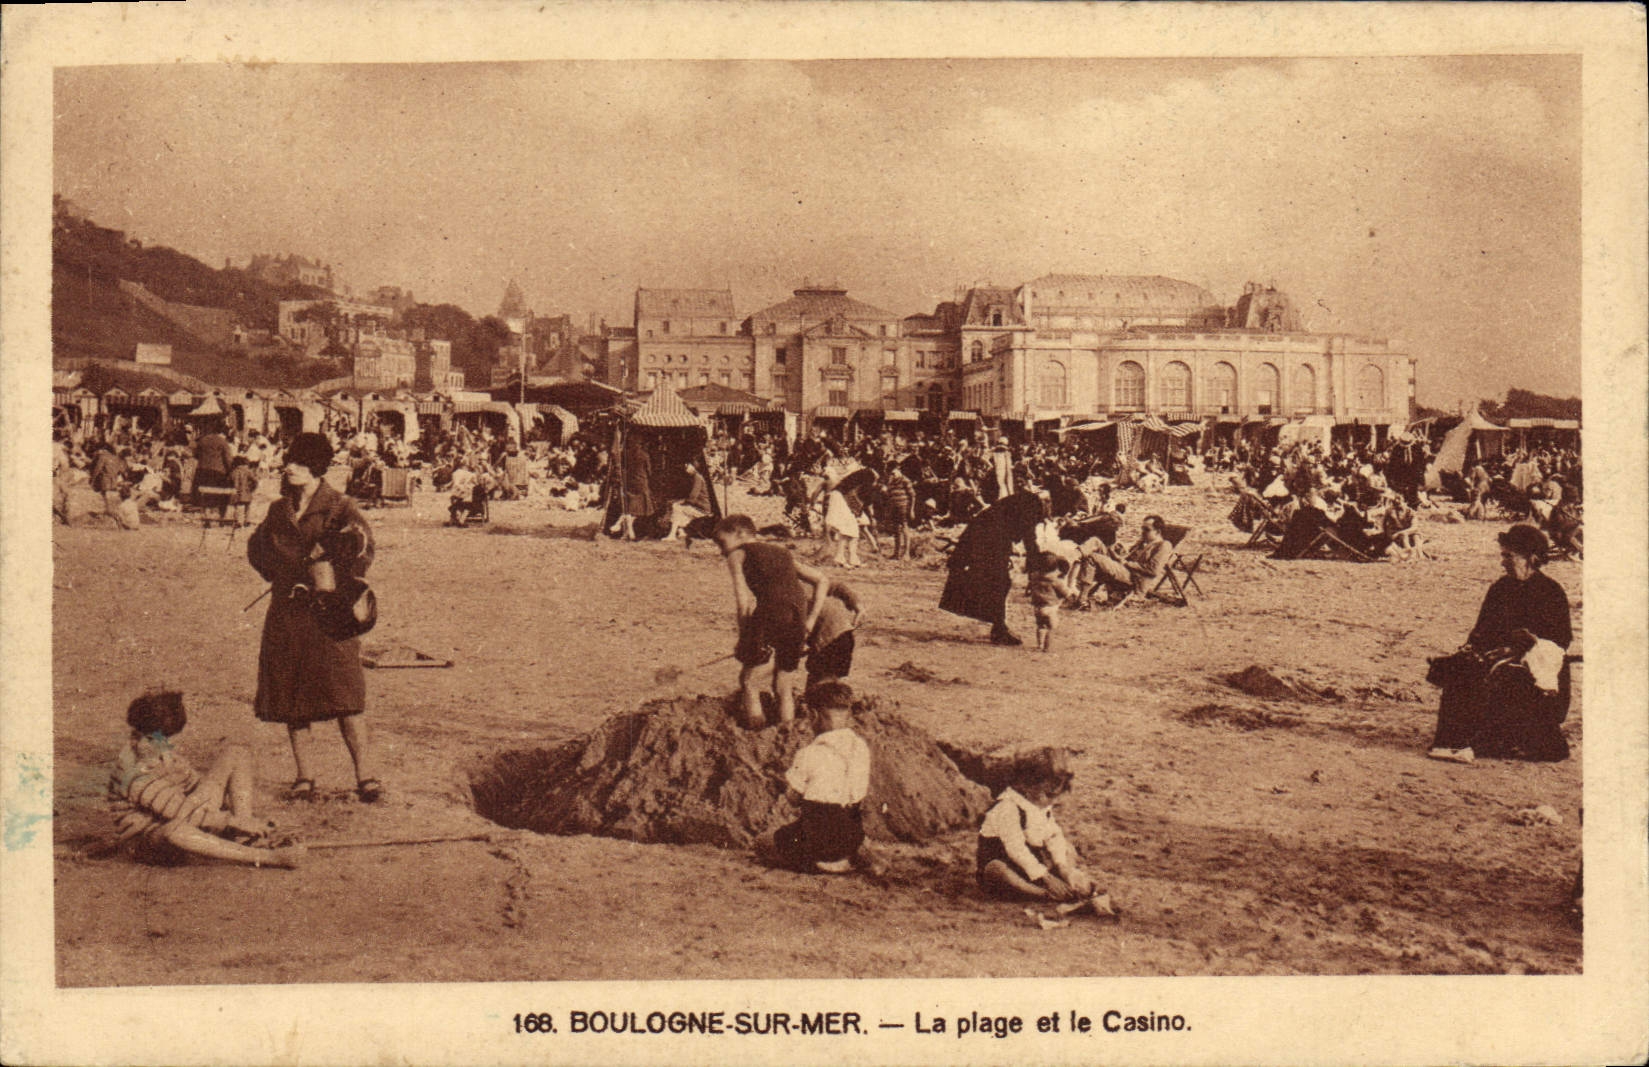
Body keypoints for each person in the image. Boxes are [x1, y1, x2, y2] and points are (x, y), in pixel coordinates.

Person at [248, 432, 382, 801]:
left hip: (330, 613)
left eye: (298, 463)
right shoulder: (279, 510)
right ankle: (305, 777)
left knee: (345, 694)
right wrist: (279, 572)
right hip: (287, 611)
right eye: (289, 462)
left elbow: (364, 547)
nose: (289, 468)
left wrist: (335, 572)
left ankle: (365, 776)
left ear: (316, 467)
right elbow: (257, 549)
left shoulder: (340, 507)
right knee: (292, 698)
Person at [1427, 524, 1572, 763]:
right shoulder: (1500, 588)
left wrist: (1524, 646)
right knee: (1462, 666)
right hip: (1498, 657)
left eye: (1509, 556)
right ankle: (1451, 741)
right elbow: (1481, 631)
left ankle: (1483, 743)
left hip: (1538, 668)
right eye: (1502, 555)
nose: (1503, 562)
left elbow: (1560, 641)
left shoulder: (1551, 592)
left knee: (1507, 675)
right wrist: (1471, 649)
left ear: (1531, 558)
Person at [109, 691, 305, 868]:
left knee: (236, 753)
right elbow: (179, 811)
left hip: (185, 813)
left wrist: (239, 819)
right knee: (175, 830)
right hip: (151, 838)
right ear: (139, 733)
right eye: (154, 739)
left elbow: (194, 786)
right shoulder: (132, 772)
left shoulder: (160, 750)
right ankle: (265, 857)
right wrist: (230, 820)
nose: (163, 745)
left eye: (166, 739)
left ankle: (244, 836)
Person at [711, 514, 832, 728]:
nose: (722, 551)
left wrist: (744, 638)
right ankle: (787, 735)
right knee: (783, 683)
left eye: (722, 543)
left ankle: (757, 734)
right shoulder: (782, 552)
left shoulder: (738, 555)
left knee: (749, 681)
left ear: (740, 533)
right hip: (798, 618)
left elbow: (743, 602)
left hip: (770, 615)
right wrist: (811, 619)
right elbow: (821, 579)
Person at [772, 681, 872, 874]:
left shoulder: (809, 753)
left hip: (819, 839)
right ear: (848, 714)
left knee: (769, 841)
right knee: (840, 822)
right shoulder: (861, 748)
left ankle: (820, 861)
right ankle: (848, 857)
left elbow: (793, 799)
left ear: (813, 715)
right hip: (852, 835)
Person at [939, 489, 1047, 646]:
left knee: (999, 582)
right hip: (987, 542)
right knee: (999, 583)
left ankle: (998, 626)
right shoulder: (1030, 507)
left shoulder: (1022, 502)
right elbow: (1029, 540)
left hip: (983, 538)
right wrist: (1037, 568)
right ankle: (999, 630)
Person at [977, 772, 1100, 904]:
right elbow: (1016, 849)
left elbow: (1053, 836)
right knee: (996, 869)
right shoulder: (1007, 807)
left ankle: (1067, 884)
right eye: (1048, 795)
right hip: (1007, 862)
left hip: (1031, 864)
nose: (1052, 801)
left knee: (1066, 849)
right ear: (1027, 788)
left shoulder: (1040, 807)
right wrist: (1046, 877)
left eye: (1055, 796)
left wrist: (1062, 867)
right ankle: (1042, 894)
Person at [1082, 514, 1174, 607]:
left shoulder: (1163, 545)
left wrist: (1126, 563)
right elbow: (1129, 557)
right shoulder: (1143, 543)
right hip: (1125, 570)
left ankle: (1082, 599)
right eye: (1142, 528)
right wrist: (1119, 554)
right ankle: (1075, 562)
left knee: (1092, 557)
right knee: (1096, 541)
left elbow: (1153, 570)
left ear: (1157, 531)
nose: (1142, 532)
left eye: (1146, 529)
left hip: (1134, 578)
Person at [805, 577, 863, 691]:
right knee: (823, 684)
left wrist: (858, 607)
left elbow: (836, 586)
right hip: (841, 635)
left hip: (833, 640)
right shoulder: (803, 581)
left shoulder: (793, 587)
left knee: (823, 687)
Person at [1027, 554, 1075, 652]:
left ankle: (1039, 645)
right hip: (1050, 608)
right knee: (1052, 627)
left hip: (1037, 607)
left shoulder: (1034, 577)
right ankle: (1047, 647)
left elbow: (1030, 586)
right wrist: (1071, 596)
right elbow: (1066, 592)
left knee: (1041, 626)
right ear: (1055, 567)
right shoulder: (1055, 581)